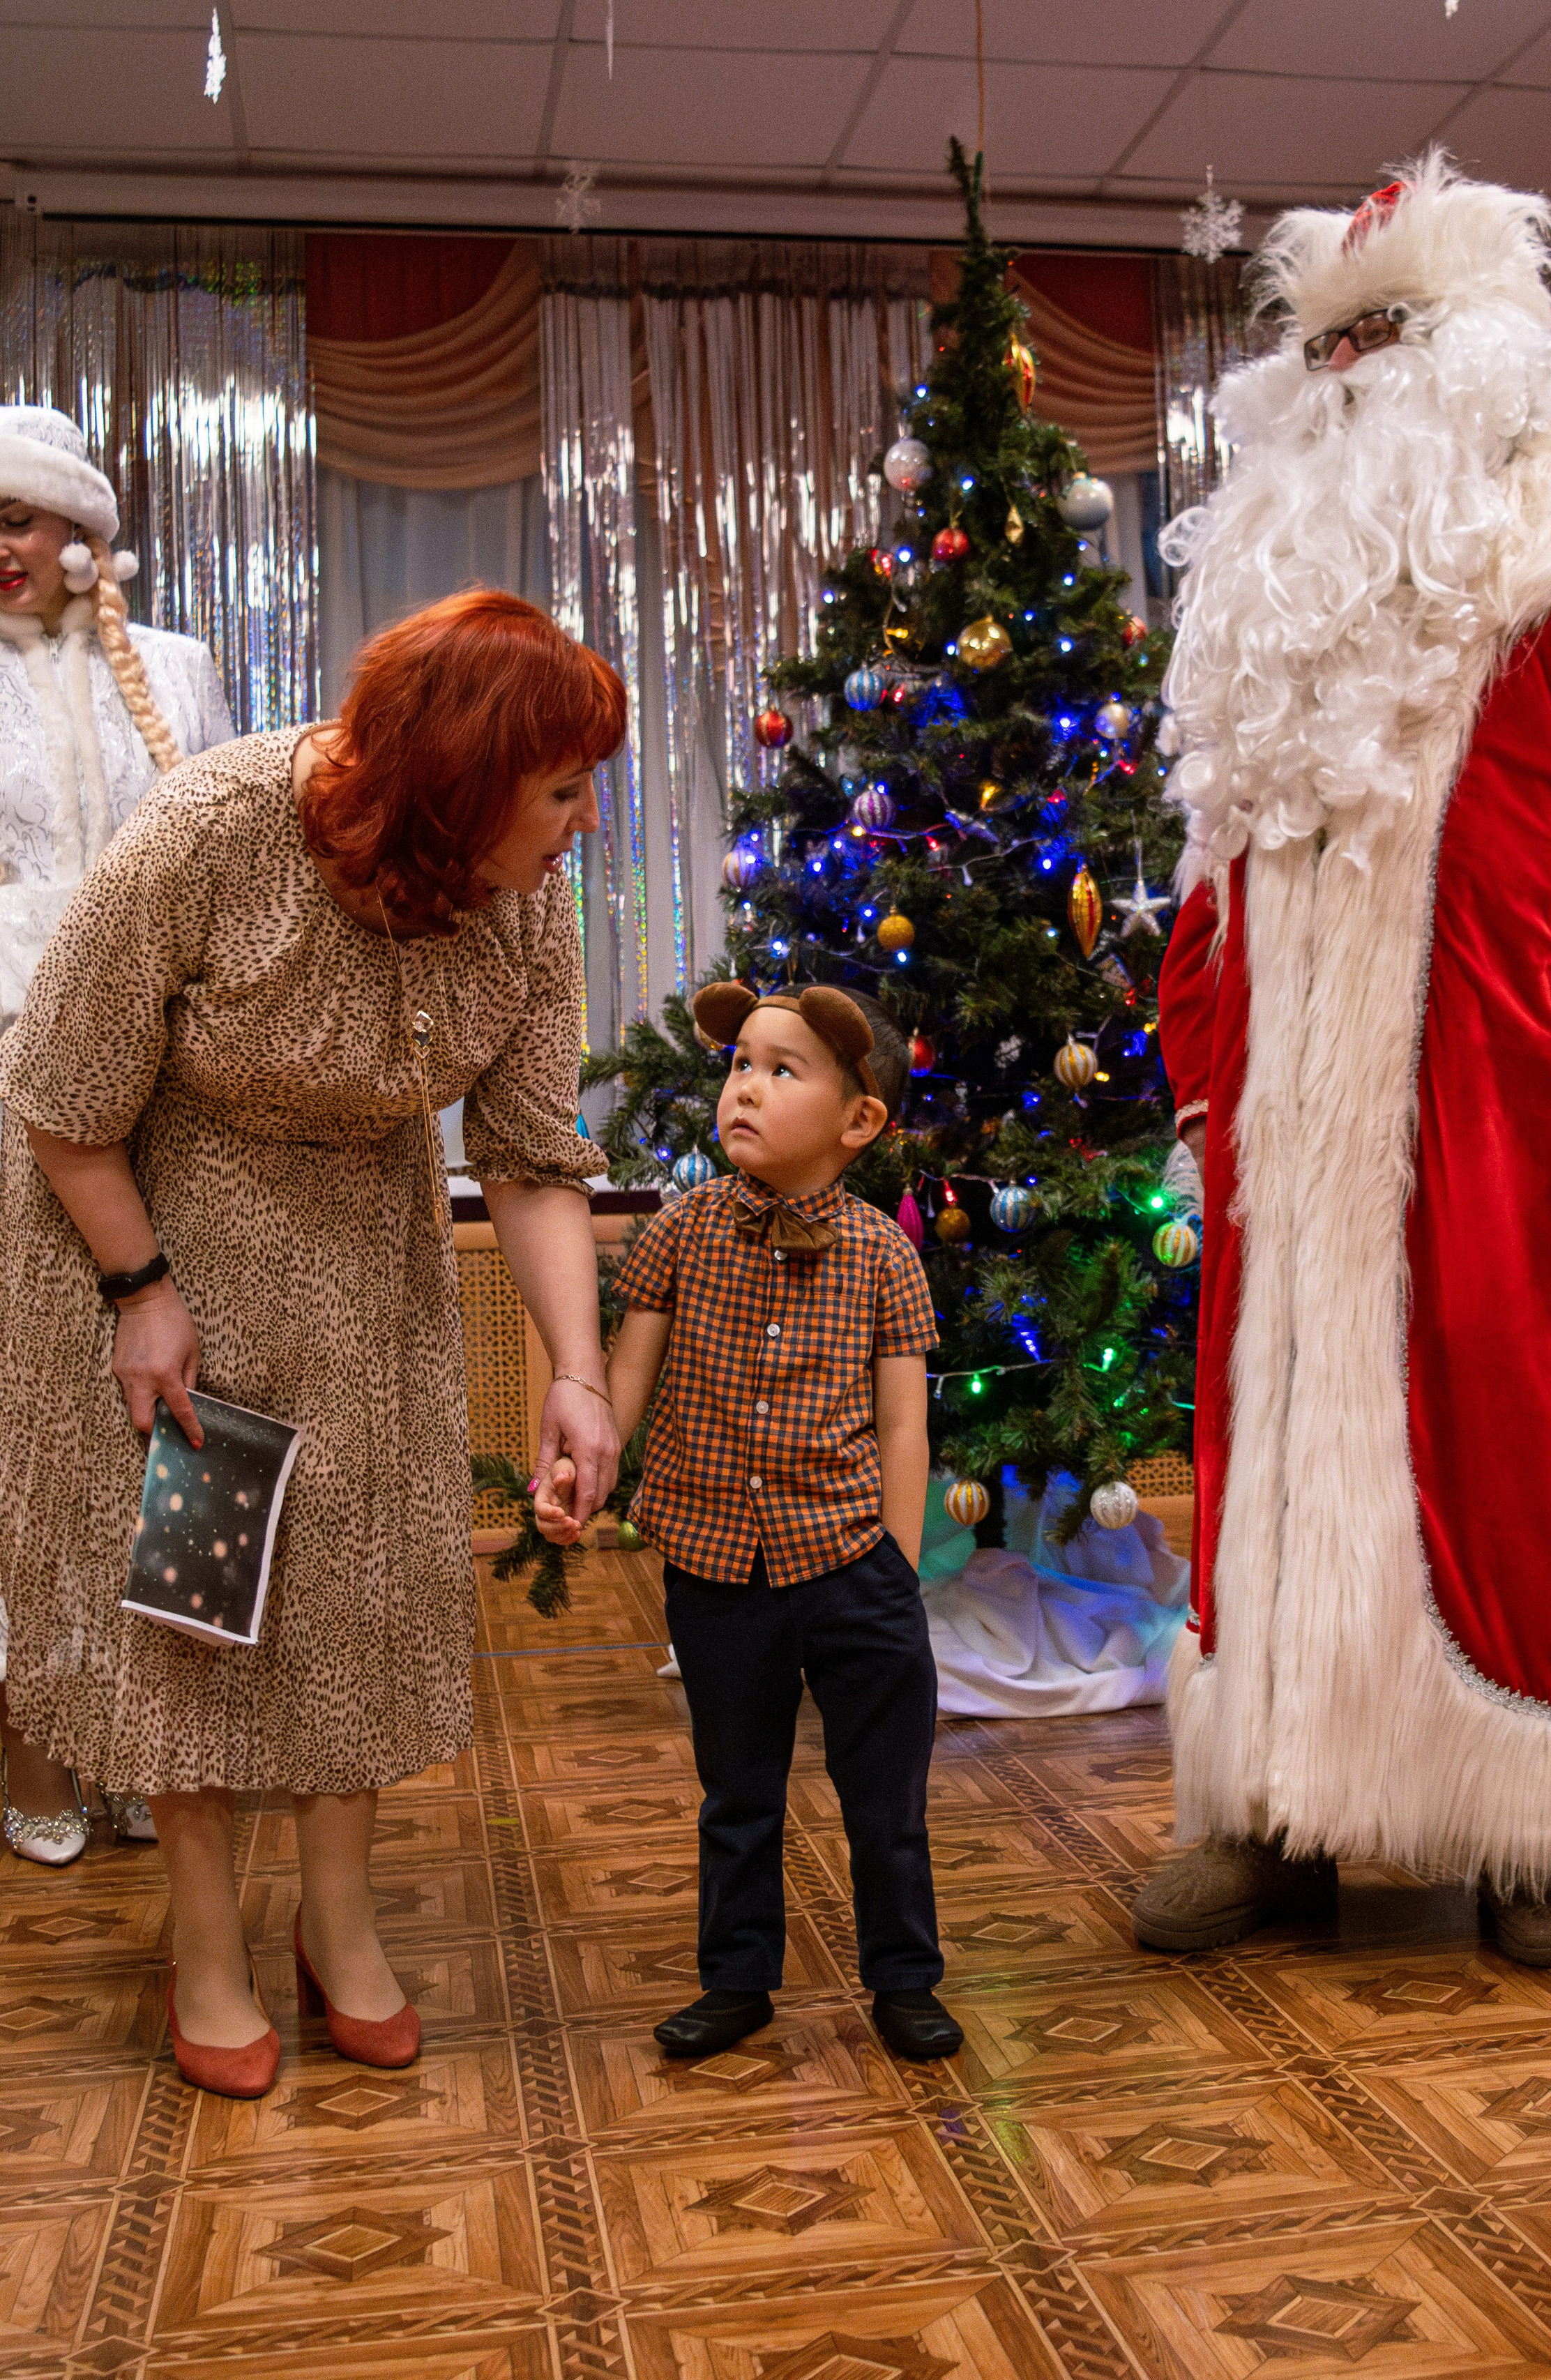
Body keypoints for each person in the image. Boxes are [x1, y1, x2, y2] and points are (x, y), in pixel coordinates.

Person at [1136, 153, 1551, 1969]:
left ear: (1483, 349)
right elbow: (1218, 859)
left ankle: (1530, 1826)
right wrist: (1206, 1061)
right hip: (1287, 1131)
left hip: (1498, 1120)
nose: (1348, 378)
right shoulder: (1268, 582)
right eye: (1325, 347)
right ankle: (1275, 1810)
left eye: (1389, 339)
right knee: (1264, 1451)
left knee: (1521, 1442)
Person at [0, 588, 624, 2094]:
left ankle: (340, 1925)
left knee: (355, 1591)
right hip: (161, 1244)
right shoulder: (211, 831)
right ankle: (206, 1946)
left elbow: (535, 1156)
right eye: (557, 787)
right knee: (200, 1609)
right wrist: (141, 1292)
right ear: (457, 780)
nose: (582, 818)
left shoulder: (523, 895)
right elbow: (60, 1103)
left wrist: (575, 1373)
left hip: (367, 1262)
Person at [537, 980, 962, 2060]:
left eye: (783, 1070)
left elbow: (904, 1428)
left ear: (858, 1120)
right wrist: (583, 1474)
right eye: (739, 1066)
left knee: (884, 1800)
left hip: (852, 1559)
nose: (746, 1089)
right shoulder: (680, 1232)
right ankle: (737, 1979)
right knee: (738, 1792)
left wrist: (897, 1574)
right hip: (720, 1565)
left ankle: (904, 1978)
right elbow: (623, 1381)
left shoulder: (884, 1254)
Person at [0, 404, 236, 1864]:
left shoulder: (183, 676)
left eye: (22, 518)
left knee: (168, 1424)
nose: (4, 550)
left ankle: (162, 1749)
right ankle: (36, 1754)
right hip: (15, 1103)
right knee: (28, 1430)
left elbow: (224, 880)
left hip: (171, 1105)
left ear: (84, 535)